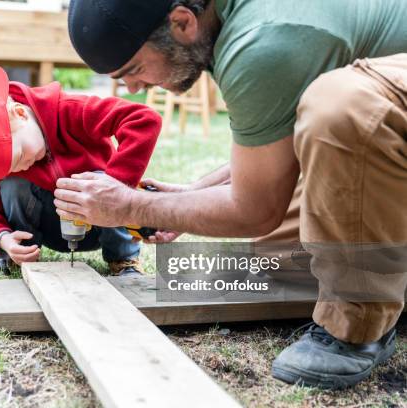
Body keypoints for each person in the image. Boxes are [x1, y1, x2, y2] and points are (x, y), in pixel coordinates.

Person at [57, 0, 407, 389]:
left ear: (182, 22)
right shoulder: (231, 22)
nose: (133, 87)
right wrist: (191, 196)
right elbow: (278, 148)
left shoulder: (262, 39)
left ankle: (358, 324)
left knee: (344, 104)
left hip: (374, 108)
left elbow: (255, 209)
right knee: (285, 255)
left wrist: (129, 205)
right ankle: (392, 274)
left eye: (134, 70)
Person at [0, 64, 161, 276]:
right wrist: (5, 240)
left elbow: (143, 119)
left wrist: (118, 185)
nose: (21, 167)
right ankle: (20, 258)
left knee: (100, 180)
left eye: (19, 157)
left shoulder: (71, 109)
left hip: (101, 224)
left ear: (20, 113)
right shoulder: (5, 160)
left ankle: (123, 258)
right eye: (11, 167)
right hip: (49, 231)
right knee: (12, 185)